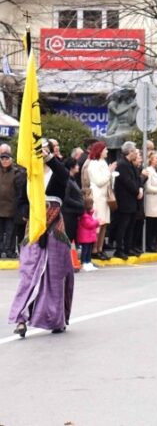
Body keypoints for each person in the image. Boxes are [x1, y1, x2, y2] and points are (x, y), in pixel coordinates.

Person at [9, 141, 75, 337]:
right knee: (28, 274)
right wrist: (26, 216)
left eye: (46, 148)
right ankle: (21, 319)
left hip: (55, 230)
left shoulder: (57, 173)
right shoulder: (28, 176)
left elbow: (64, 177)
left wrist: (49, 159)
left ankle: (56, 319)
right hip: (34, 230)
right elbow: (21, 201)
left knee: (55, 275)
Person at [112, 142, 143, 260]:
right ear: (130, 152)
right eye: (135, 151)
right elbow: (127, 181)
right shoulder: (122, 164)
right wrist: (137, 191)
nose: (136, 153)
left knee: (130, 225)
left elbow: (138, 178)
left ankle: (128, 248)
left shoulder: (130, 164)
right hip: (124, 201)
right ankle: (119, 249)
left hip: (132, 200)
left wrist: (139, 189)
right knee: (123, 226)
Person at [86, 141, 114, 261]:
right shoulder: (93, 164)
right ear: (99, 151)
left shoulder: (103, 162)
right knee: (98, 224)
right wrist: (110, 172)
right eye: (105, 149)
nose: (107, 151)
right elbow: (99, 181)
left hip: (104, 197)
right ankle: (94, 250)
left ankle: (100, 248)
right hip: (98, 197)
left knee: (104, 225)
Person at [0, 147, 19, 258]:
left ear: (11, 160)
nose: (4, 161)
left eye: (6, 159)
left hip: (11, 207)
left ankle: (10, 251)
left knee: (11, 232)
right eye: (2, 159)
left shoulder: (16, 172)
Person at [61, 158, 85, 246]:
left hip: (73, 213)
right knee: (68, 238)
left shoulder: (72, 179)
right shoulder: (68, 180)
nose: (78, 167)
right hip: (68, 214)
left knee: (71, 239)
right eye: (77, 165)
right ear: (71, 167)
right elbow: (66, 198)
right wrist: (80, 205)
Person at [77, 197, 100, 272]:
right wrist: (97, 222)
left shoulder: (88, 214)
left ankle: (88, 262)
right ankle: (84, 262)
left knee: (89, 250)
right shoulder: (84, 216)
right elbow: (89, 224)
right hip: (85, 237)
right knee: (85, 250)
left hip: (89, 237)